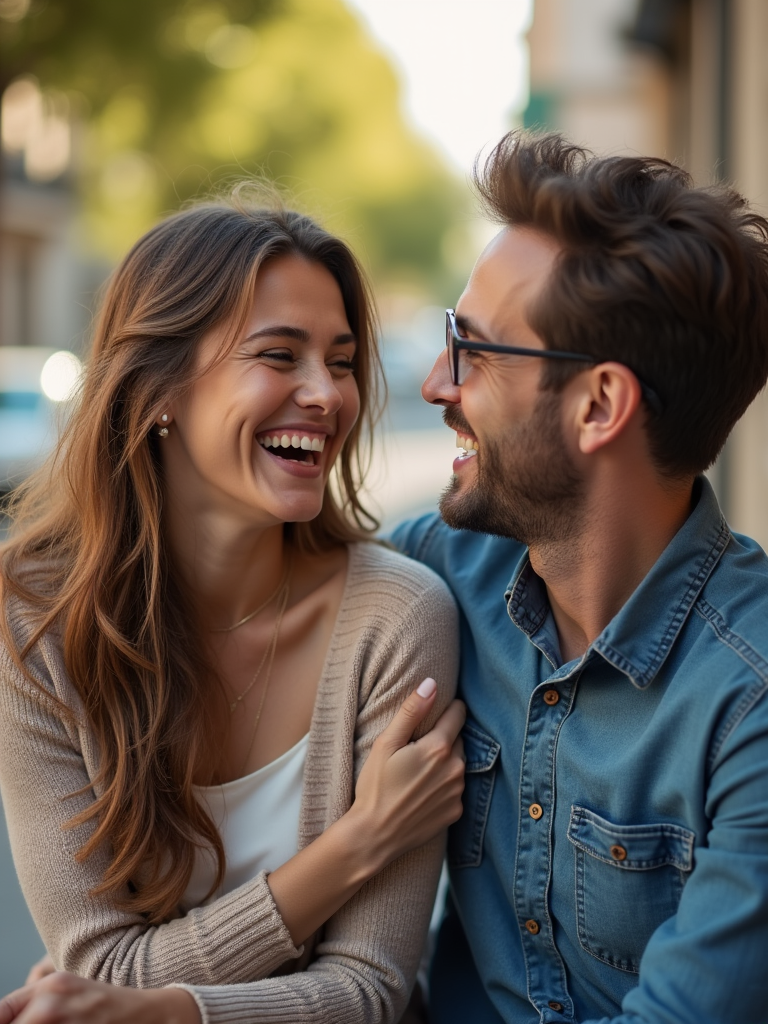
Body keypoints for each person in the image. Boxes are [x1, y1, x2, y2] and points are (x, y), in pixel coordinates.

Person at [0, 195, 466, 1024]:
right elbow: (97, 963)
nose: (326, 395)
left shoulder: (394, 620)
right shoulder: (33, 622)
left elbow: (368, 992)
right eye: (279, 355)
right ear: (159, 388)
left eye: (344, 360)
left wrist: (155, 1011)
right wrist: (355, 845)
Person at [390, 131, 768, 1024]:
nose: (436, 385)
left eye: (472, 350)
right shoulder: (439, 575)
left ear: (599, 405)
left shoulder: (749, 703)